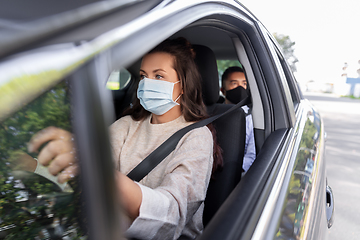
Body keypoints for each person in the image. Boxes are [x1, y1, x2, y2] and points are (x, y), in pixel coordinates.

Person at [27, 37, 222, 240]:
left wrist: (94, 165)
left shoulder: (197, 136)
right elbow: (79, 169)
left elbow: (172, 216)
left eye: (159, 76)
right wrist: (33, 165)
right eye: (143, 76)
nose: (147, 83)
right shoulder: (128, 124)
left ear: (183, 85)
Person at [220, 66, 256, 172]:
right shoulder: (210, 114)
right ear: (223, 90)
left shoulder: (251, 118)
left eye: (244, 84)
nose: (240, 88)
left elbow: (251, 156)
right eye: (234, 83)